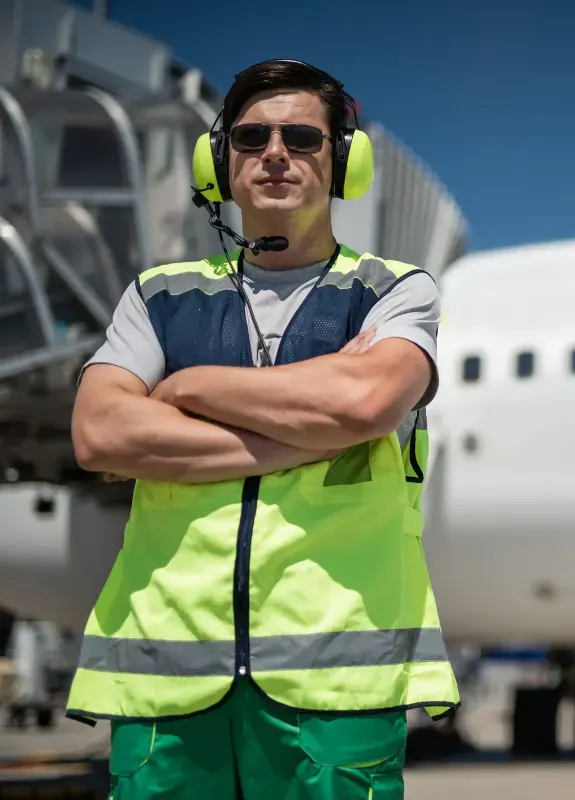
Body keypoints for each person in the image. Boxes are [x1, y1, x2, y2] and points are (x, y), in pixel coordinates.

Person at [65, 59, 459, 799]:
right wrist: (297, 435)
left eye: (302, 138)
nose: (275, 153)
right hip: (165, 686)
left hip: (337, 688)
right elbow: (100, 433)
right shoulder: (159, 296)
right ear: (219, 163)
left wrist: (186, 387)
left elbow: (363, 405)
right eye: (250, 137)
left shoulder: (393, 290)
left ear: (342, 161)